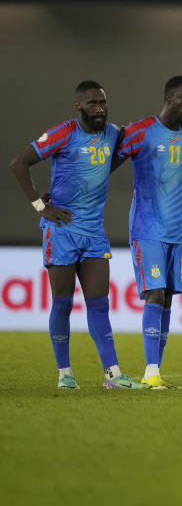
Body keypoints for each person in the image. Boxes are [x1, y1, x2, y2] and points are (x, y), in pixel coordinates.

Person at [8, 81, 146, 390]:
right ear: (78, 106)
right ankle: (65, 375)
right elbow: (18, 163)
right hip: (61, 230)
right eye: (93, 103)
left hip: (93, 230)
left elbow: (114, 157)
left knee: (99, 303)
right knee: (63, 303)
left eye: (103, 102)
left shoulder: (112, 134)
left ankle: (113, 375)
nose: (99, 108)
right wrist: (41, 207)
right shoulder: (63, 133)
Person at [116, 75, 182, 389]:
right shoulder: (140, 131)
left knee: (166, 299)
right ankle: (150, 372)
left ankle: (155, 373)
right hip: (147, 227)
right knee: (154, 293)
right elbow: (109, 162)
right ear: (168, 98)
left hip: (176, 229)